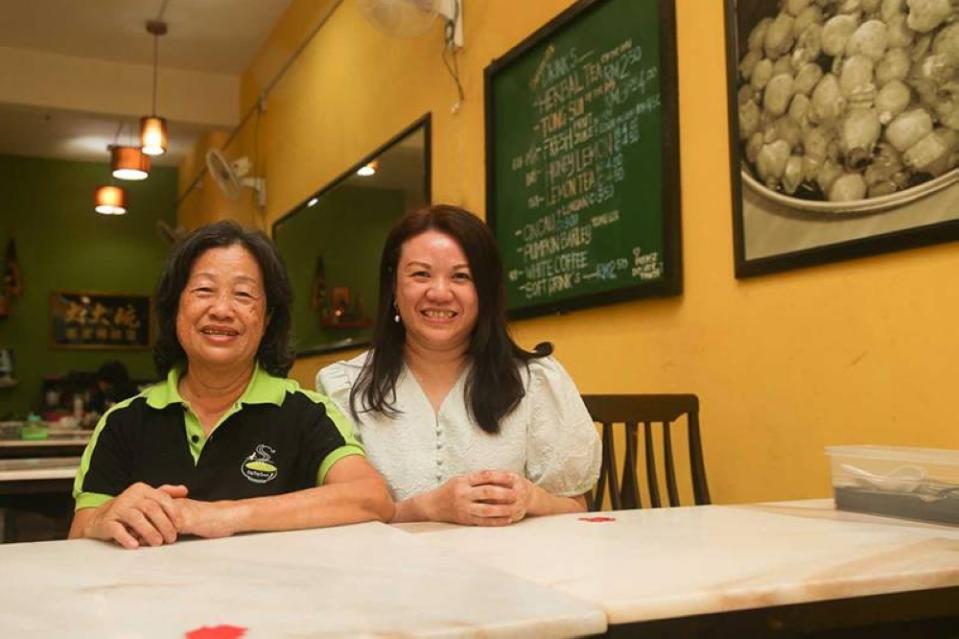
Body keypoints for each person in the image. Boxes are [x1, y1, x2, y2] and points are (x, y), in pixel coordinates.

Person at [70, 221, 393, 549]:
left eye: (243, 294)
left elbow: (371, 498)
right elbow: (79, 536)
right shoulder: (124, 422)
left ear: (267, 319)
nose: (222, 310)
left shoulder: (306, 414)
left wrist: (221, 516)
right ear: (175, 309)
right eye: (204, 291)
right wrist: (102, 518)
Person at [317, 205, 600, 526]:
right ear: (394, 287)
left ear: (485, 293)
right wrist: (424, 509)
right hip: (390, 572)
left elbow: (577, 508)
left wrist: (532, 498)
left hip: (510, 571)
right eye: (420, 274)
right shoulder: (343, 387)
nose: (439, 293)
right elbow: (336, 516)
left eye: (461, 276)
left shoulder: (536, 382)